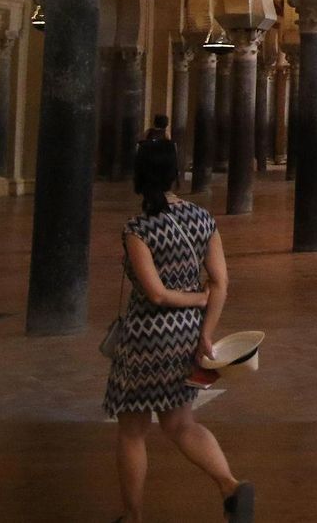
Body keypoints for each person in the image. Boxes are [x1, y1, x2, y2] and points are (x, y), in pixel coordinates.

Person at [105, 138, 254, 522]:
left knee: (133, 431)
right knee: (181, 423)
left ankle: (133, 516)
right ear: (175, 173)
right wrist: (206, 330)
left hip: (144, 340)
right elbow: (220, 282)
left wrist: (193, 300)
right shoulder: (204, 220)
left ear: (139, 176)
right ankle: (229, 486)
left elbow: (155, 293)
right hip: (187, 335)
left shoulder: (138, 228)